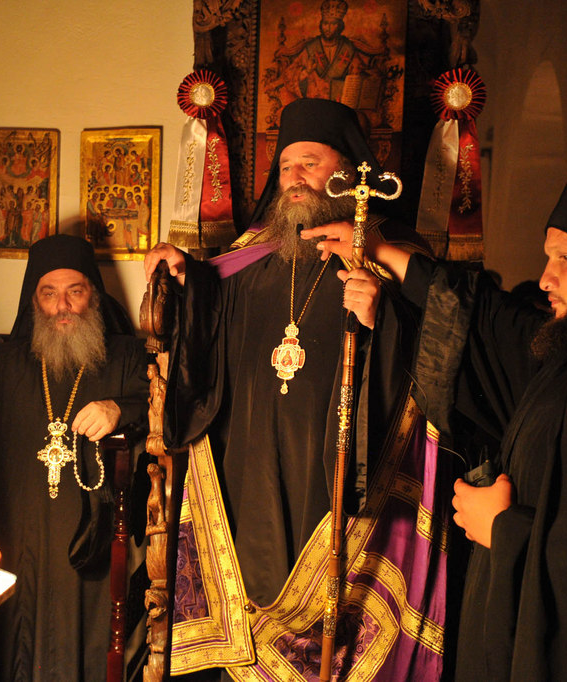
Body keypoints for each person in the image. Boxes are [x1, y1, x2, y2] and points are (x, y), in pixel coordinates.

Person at [312, 163, 567, 679]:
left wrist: (503, 531)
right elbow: (486, 327)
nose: (546, 277)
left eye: (565, 258)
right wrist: (385, 254)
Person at [143, 98, 447, 679]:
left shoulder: (390, 257)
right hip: (250, 474)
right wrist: (186, 280)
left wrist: (382, 316)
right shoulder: (252, 261)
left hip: (334, 479)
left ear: (347, 173)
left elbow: (433, 352)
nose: (295, 178)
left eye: (310, 163)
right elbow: (209, 316)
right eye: (285, 167)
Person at [0, 234, 148, 681]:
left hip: (92, 548)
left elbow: (169, 402)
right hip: (19, 540)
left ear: (94, 296)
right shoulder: (1, 366)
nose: (62, 306)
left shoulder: (126, 357)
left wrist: (121, 408)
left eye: (74, 291)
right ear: (34, 301)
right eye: (49, 294)